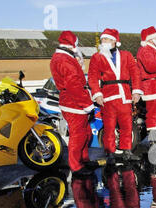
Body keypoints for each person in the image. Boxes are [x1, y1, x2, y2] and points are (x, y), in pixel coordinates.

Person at [88, 28, 143, 165]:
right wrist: (97, 93)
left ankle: (127, 151)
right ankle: (110, 153)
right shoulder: (97, 57)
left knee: (126, 125)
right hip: (107, 96)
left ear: (114, 41)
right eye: (102, 39)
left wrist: (136, 91)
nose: (103, 42)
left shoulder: (126, 55)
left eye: (106, 39)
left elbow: (135, 73)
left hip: (124, 95)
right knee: (109, 127)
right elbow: (93, 77)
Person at [50, 31, 94, 176]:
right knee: (78, 134)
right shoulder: (65, 60)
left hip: (72, 101)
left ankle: (84, 159)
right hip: (74, 103)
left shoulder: (63, 58)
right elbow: (73, 85)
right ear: (72, 44)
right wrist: (87, 104)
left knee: (86, 132)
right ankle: (76, 165)